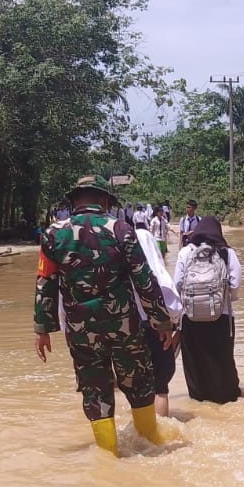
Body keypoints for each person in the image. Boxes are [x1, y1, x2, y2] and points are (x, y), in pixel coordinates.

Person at [34, 175, 176, 456]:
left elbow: (45, 282)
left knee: (95, 390)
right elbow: (144, 280)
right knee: (139, 384)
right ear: (104, 200)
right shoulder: (121, 229)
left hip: (81, 331)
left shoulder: (53, 234)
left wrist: (42, 329)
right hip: (124, 327)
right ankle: (151, 445)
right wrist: (161, 321)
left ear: (75, 200)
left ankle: (109, 456)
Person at [174, 216, 243, 404]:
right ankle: (227, 399)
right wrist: (225, 299)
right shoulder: (227, 252)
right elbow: (235, 284)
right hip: (222, 317)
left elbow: (177, 284)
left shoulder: (185, 251)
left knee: (194, 363)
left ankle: (198, 401)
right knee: (223, 360)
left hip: (190, 318)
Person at [133, 221, 184, 416]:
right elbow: (174, 307)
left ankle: (141, 428)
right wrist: (173, 325)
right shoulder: (157, 273)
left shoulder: (122, 275)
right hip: (157, 331)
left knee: (138, 387)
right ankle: (160, 427)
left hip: (130, 332)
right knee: (160, 387)